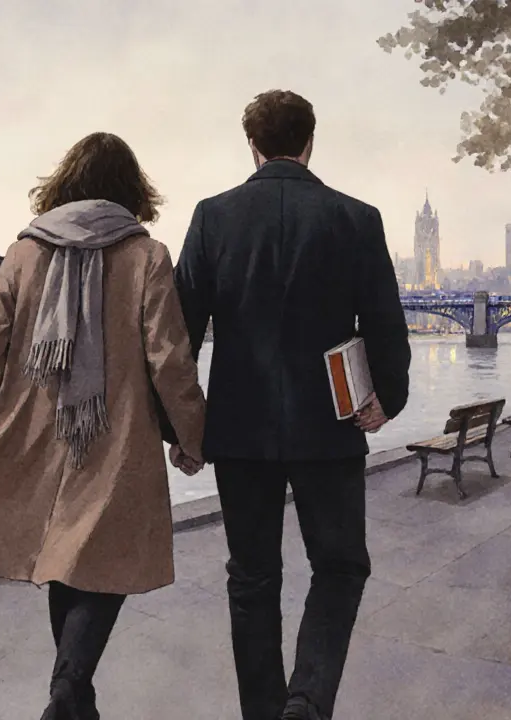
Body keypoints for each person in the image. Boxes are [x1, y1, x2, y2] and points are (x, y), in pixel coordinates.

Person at [0, 132, 207, 720]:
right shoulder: (146, 256)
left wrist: (0, 415)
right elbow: (169, 357)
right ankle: (70, 690)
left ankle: (72, 695)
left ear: (64, 182)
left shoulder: (25, 251)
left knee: (65, 559)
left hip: (38, 427)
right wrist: (189, 435)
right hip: (117, 432)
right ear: (132, 190)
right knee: (101, 559)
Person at [172, 90, 411, 720]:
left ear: (251, 145)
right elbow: (385, 322)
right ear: (311, 141)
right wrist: (387, 397)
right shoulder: (356, 218)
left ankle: (262, 710)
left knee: (251, 579)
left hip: (238, 428)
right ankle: (306, 698)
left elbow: (180, 334)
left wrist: (182, 426)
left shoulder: (212, 217)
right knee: (340, 566)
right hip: (330, 425)